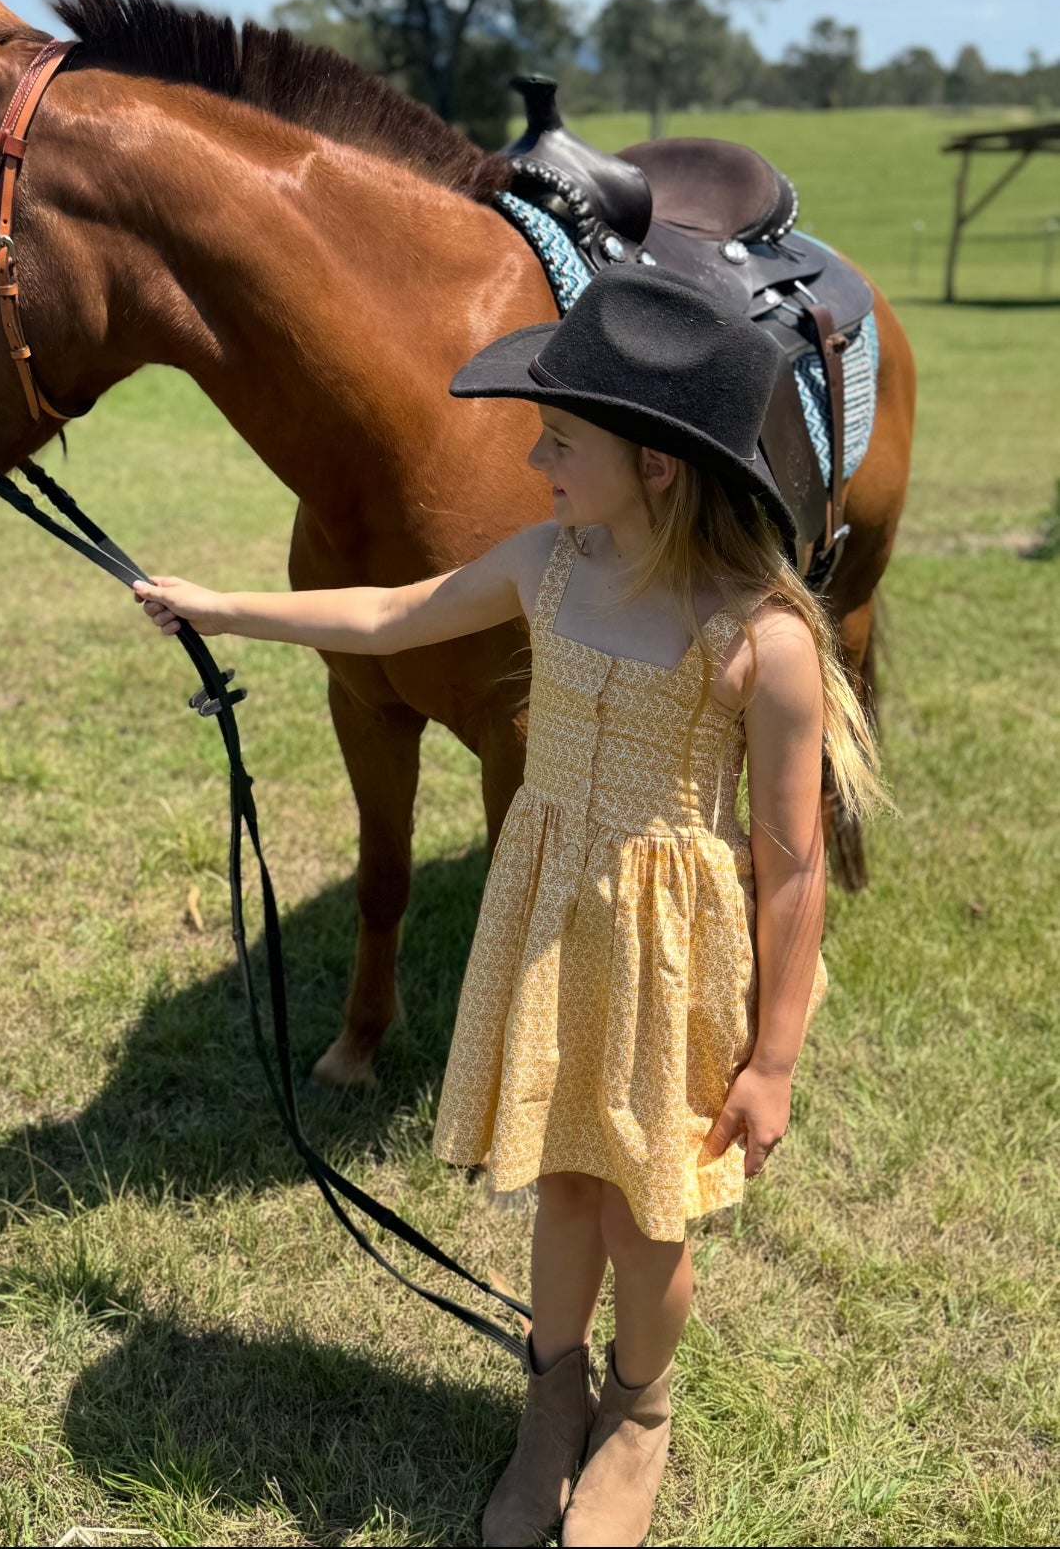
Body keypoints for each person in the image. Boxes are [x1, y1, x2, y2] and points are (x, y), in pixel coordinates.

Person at [132, 265, 887, 1547]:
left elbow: (793, 863)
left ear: (657, 465)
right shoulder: (549, 562)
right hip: (552, 920)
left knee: (648, 1210)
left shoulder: (762, 642)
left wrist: (774, 1060)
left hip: (670, 958)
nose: (533, 454)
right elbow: (389, 612)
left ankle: (637, 1414)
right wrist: (216, 605)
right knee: (562, 1181)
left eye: (562, 438)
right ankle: (553, 1396)